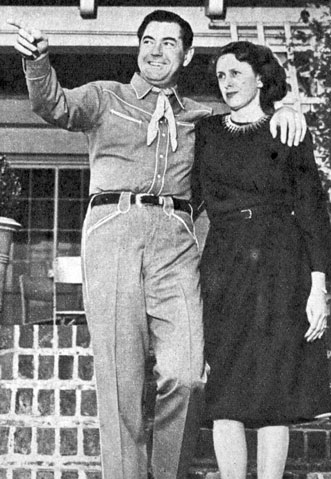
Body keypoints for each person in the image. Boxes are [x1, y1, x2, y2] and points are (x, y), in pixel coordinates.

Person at [9, 11, 307, 479]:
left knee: (187, 373)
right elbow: (55, 105)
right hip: (114, 232)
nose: (155, 50)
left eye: (169, 43)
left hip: (176, 241)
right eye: (148, 40)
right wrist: (38, 62)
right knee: (120, 378)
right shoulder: (106, 96)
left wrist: (285, 110)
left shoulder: (201, 120)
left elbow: (247, 133)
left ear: (186, 55)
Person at [191, 41, 331, 479]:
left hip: (280, 265)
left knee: (276, 391)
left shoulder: (287, 129)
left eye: (236, 72)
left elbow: (312, 208)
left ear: (260, 77)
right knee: (226, 391)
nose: (227, 82)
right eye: (220, 76)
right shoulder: (208, 132)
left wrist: (318, 287)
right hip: (224, 267)